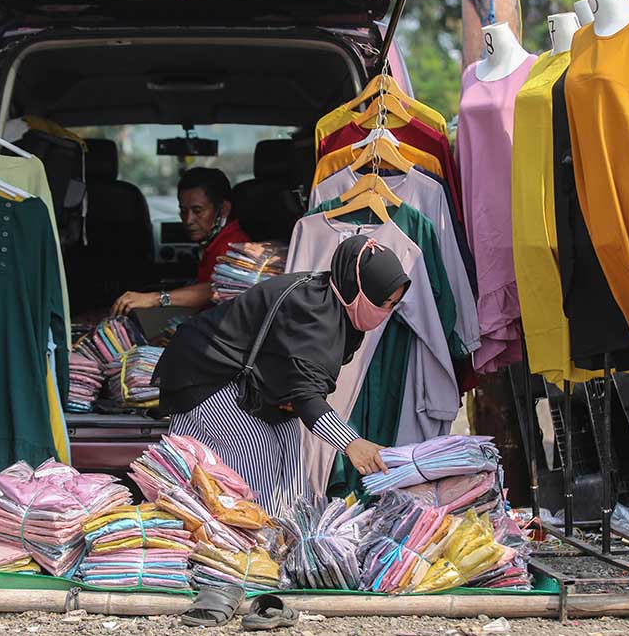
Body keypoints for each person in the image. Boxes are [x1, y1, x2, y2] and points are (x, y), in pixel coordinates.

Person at [152, 235, 410, 516]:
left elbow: (300, 379)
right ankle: (258, 542)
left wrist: (296, 395)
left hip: (246, 382)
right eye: (382, 302)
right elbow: (305, 393)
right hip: (204, 374)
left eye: (392, 305)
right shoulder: (314, 312)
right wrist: (351, 443)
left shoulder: (338, 309)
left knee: (290, 456)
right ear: (357, 287)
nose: (385, 312)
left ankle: (287, 534)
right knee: (253, 455)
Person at [111, 167, 249, 315]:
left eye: (198, 211)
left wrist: (156, 298)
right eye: (183, 211)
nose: (188, 220)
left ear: (223, 210)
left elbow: (217, 288)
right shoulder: (217, 241)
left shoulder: (236, 246)